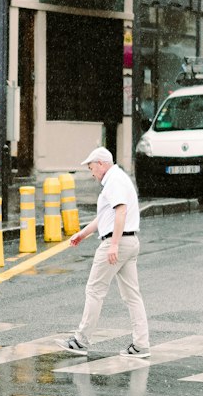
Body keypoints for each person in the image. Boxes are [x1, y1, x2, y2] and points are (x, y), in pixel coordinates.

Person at [59, 146, 151, 358]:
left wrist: (114, 245)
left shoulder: (113, 181)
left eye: (92, 168)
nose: (92, 173)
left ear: (101, 164)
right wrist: (82, 234)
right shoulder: (119, 179)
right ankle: (141, 344)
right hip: (130, 241)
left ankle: (81, 341)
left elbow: (120, 211)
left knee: (94, 290)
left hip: (117, 242)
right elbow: (105, 218)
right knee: (132, 296)